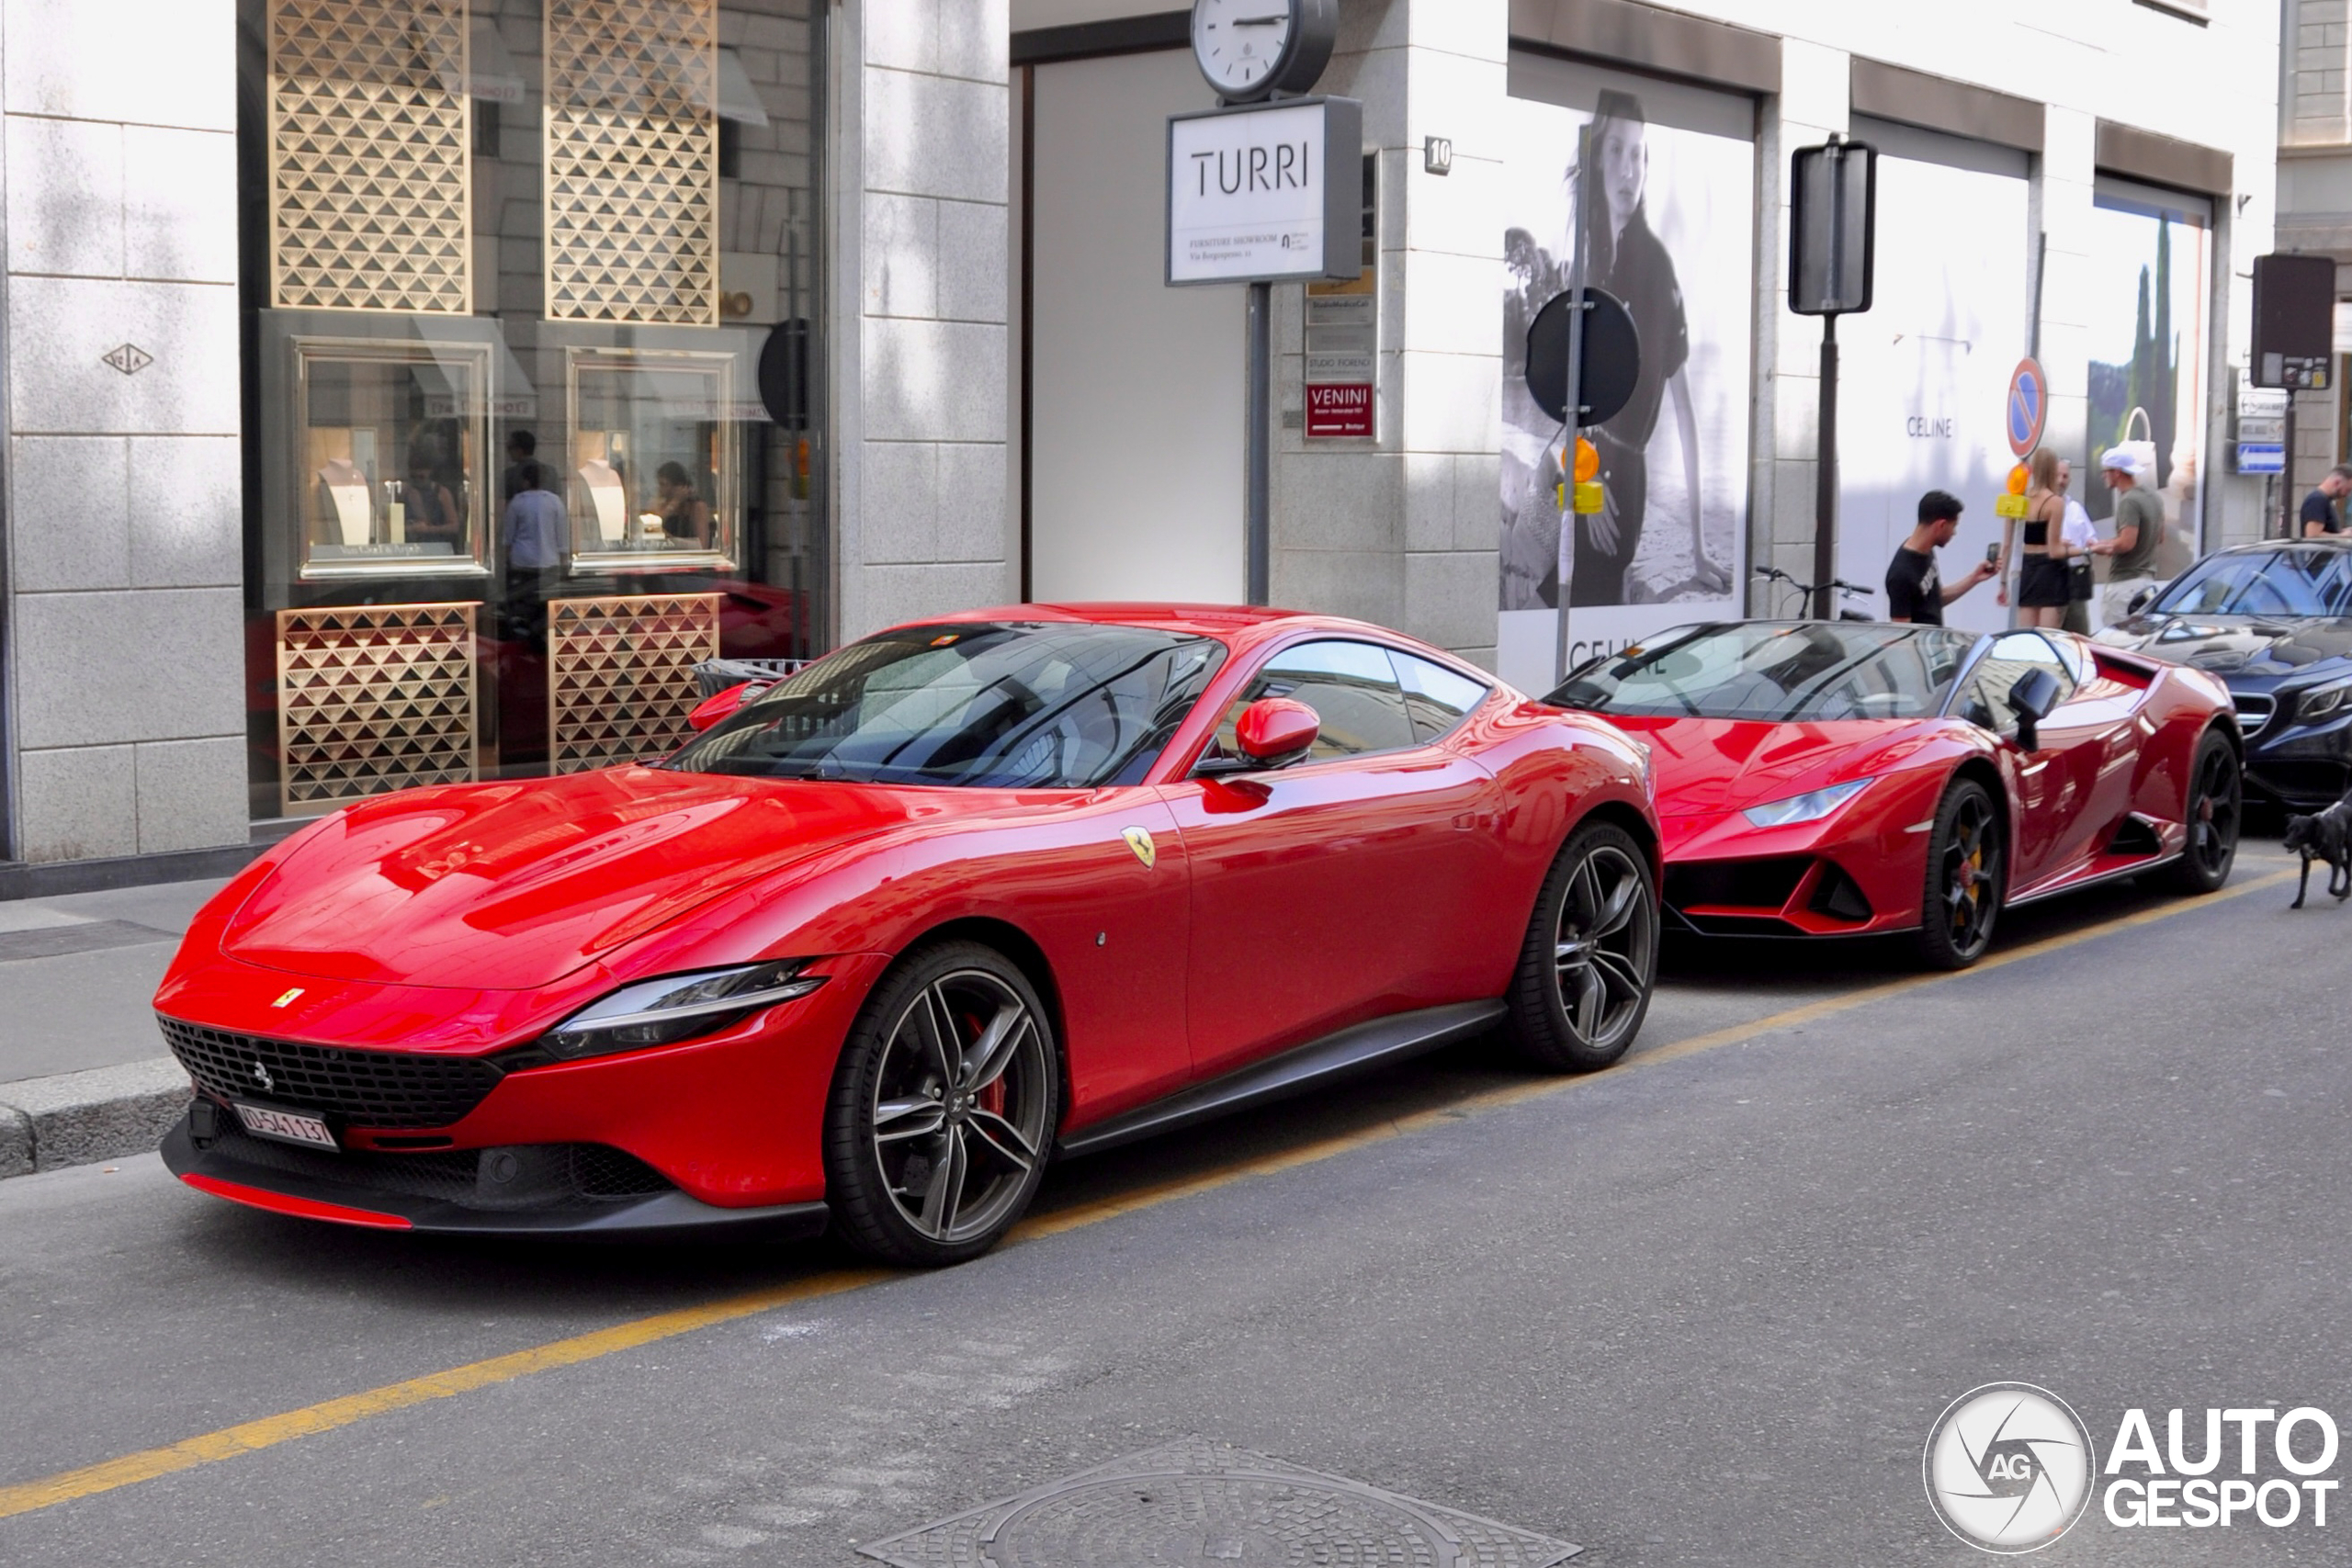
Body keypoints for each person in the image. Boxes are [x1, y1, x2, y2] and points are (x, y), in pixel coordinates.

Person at [1566, 90, 1725, 605]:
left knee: (1589, 602)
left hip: (1618, 482)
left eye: (1637, 154)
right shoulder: (1590, 253)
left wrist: (1698, 549)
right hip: (1582, 473)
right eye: (1616, 151)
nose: (1627, 169)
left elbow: (1684, 414)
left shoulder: (1654, 267)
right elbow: (1568, 395)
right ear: (1597, 157)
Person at [1885, 490, 1994, 626]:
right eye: (1954, 526)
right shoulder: (1901, 576)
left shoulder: (1927, 551)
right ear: (1941, 525)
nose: (1954, 533)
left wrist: (1975, 578)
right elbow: (1901, 635)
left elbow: (1936, 599)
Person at [2000, 446, 2074, 629]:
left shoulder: (2016, 499)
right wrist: (2085, 550)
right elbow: (2054, 547)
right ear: (2052, 470)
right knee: (2048, 638)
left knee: (2025, 638)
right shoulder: (2055, 502)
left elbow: (2007, 545)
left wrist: (2003, 582)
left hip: (2024, 570)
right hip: (2050, 571)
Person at [2089, 446, 2162, 625]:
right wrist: (2107, 542)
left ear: (2116, 473)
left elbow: (2127, 543)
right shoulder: (2153, 497)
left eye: (2105, 472)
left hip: (2125, 584)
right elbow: (2160, 537)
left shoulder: (2128, 501)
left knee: (2116, 641)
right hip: (2147, 583)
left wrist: (2102, 547)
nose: (2103, 476)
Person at [502, 461, 570, 637]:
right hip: (550, 562)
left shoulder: (518, 502)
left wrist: (506, 561)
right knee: (546, 607)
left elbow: (508, 536)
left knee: (521, 604)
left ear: (525, 481)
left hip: (522, 561)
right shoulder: (555, 502)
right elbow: (562, 536)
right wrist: (564, 563)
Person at [2055, 457, 2099, 635]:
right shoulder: (2039, 507)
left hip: (2074, 581)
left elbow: (2091, 538)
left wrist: (2091, 545)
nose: (2061, 480)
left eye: (2065, 476)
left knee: (2078, 636)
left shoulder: (2075, 508)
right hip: (2048, 580)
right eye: (2057, 475)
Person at [655, 460, 711, 546]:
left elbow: (702, 544)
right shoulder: (663, 504)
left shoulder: (697, 506)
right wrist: (674, 503)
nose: (660, 489)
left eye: (663, 484)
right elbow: (653, 523)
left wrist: (671, 540)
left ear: (678, 486)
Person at [2301, 464, 2352, 536]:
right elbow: (2313, 535)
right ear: (2337, 483)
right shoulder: (2317, 500)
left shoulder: (2324, 500)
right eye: (2347, 490)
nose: (2348, 494)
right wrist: (2343, 536)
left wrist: (2343, 532)